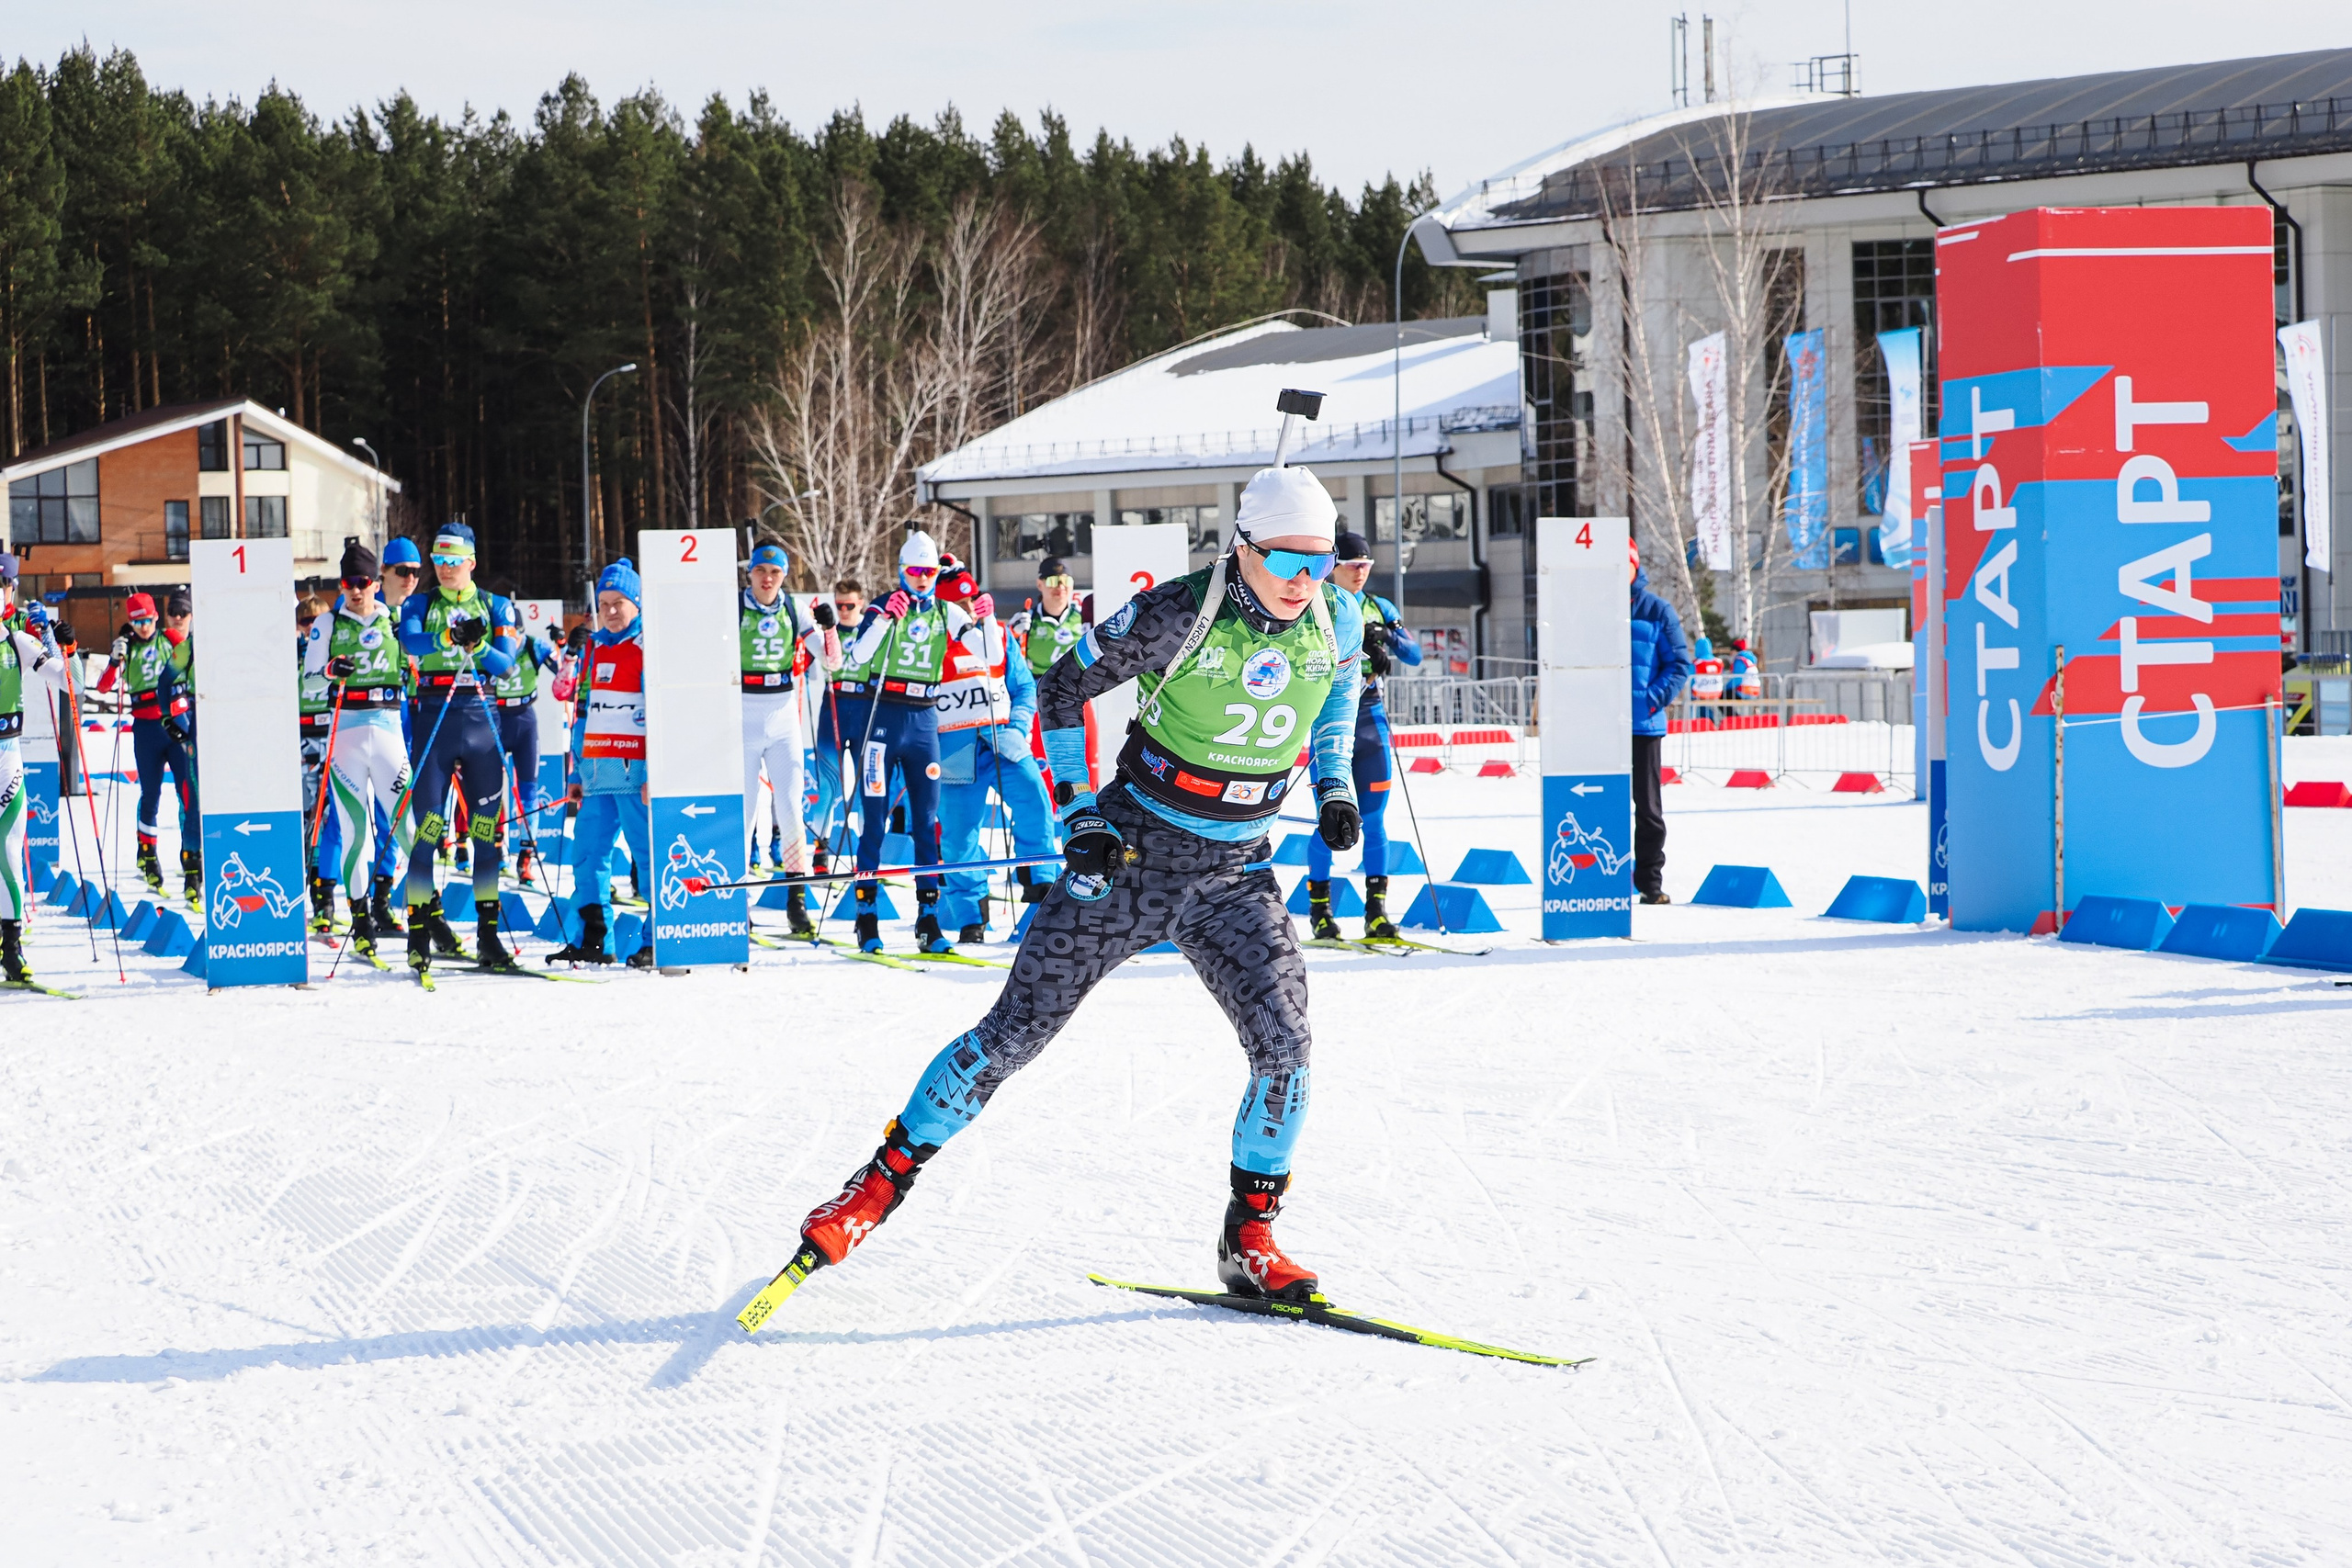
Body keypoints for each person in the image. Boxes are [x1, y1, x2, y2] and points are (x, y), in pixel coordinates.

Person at [772, 462, 1365, 1312]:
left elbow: (1338, 695)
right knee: (1014, 1033)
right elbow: (1059, 690)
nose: (1306, 580)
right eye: (1287, 560)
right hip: (1132, 855)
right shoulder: (1178, 612)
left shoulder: (1336, 616)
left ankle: (1250, 1239)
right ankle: (871, 1189)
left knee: (1288, 1049)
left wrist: (1336, 787)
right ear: (1243, 547)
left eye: (1321, 560)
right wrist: (1079, 811)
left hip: (1235, 871)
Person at [830, 532, 979, 954]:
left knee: (927, 823)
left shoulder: (948, 611)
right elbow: (857, 658)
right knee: (875, 821)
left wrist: (983, 619)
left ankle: (928, 920)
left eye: (928, 571)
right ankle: (866, 917)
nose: (921, 579)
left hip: (924, 722)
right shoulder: (883, 605)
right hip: (883, 718)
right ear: (901, 571)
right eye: (914, 571)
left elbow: (987, 654)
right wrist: (882, 621)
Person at [395, 522, 524, 975]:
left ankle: (488, 935)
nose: (445, 568)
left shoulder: (496, 605)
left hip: (481, 717)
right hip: (435, 716)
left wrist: (479, 645)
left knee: (486, 833)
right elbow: (409, 639)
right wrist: (448, 638)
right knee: (428, 831)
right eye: (438, 560)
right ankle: (418, 937)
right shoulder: (420, 602)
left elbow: (506, 665)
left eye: (453, 560)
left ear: (471, 562)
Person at [1304, 529, 1419, 942]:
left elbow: (1415, 655)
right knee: (1329, 817)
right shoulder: (1315, 603)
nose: (1360, 573)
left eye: (1366, 566)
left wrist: (1386, 637)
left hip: (1371, 719)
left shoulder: (1380, 606)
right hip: (1331, 721)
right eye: (1352, 565)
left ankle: (1376, 912)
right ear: (1332, 567)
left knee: (1374, 818)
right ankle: (1320, 912)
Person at [931, 563, 1055, 942]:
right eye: (957, 603)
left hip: (1002, 742)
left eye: (970, 599)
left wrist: (1018, 727)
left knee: (1035, 800)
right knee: (958, 836)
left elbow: (1024, 687)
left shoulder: (997, 633)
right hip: (954, 751)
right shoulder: (931, 642)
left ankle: (1040, 887)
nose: (967, 608)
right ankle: (971, 917)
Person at [305, 541, 416, 958]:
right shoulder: (328, 623)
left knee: (407, 829)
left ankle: (426, 915)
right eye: (348, 583)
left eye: (363, 582)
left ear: (375, 582)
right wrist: (330, 670)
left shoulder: (396, 619)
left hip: (388, 729)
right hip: (347, 735)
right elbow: (309, 680)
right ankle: (362, 922)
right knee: (354, 835)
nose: (356, 590)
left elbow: (418, 666)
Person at [548, 558, 652, 967]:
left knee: (647, 860)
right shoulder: (592, 648)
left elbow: (660, 715)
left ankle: (657, 940)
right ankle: (593, 940)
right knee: (588, 857)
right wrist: (577, 771)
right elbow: (581, 711)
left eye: (619, 603)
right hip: (596, 774)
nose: (610, 611)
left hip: (634, 776)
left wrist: (653, 773)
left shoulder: (647, 646)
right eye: (604, 603)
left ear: (637, 603)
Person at [738, 540, 839, 935]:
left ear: (784, 575)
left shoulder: (793, 608)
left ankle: (796, 902)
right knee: (745, 815)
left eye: (775, 572)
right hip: (743, 712)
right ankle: (738, 903)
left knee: (792, 811)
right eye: (761, 572)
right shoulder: (735, 606)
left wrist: (830, 628)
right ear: (750, 573)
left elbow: (832, 662)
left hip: (782, 715)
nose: (767, 579)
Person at [1, 553, 73, 985]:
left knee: (9, 852)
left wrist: (63, 643)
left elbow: (72, 682)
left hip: (6, 754)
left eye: (0, 586)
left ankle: (10, 948)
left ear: (10, 590)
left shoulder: (16, 641)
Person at [98, 590, 198, 900]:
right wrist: (113, 662)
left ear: (156, 617)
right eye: (137, 622)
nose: (144, 627)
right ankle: (148, 855)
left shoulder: (170, 639)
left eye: (148, 620)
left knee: (187, 793)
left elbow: (193, 660)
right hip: (146, 730)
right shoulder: (127, 648)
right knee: (150, 794)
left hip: (176, 726)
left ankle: (192, 862)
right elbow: (103, 687)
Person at [485, 576, 560, 886]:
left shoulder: (533, 646)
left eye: (515, 634)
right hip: (495, 720)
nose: (511, 641)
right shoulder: (492, 648)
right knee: (491, 791)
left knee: (528, 791)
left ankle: (526, 857)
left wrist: (562, 647)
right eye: (506, 634)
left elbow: (563, 672)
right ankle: (495, 851)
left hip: (525, 720)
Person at [1629, 540, 1692, 906]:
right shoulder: (1592, 607)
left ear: (1634, 567)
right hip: (1601, 728)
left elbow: (1679, 664)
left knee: (1649, 809)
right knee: (1602, 804)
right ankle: (1602, 877)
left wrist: (1650, 699)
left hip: (1643, 726)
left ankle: (1650, 883)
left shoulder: (1657, 610)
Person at [1010, 555, 1095, 802]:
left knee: (1086, 754)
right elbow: (1009, 662)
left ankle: (1084, 807)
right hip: (1042, 698)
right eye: (1053, 581)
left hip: (1077, 695)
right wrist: (1012, 635)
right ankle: (1049, 811)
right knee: (1044, 758)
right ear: (1040, 584)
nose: (1060, 587)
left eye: (1065, 580)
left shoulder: (1082, 618)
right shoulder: (1029, 619)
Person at [808, 579, 866, 870]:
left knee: (868, 786)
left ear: (861, 603)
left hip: (864, 708)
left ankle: (867, 853)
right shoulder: (828, 631)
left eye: (850, 605)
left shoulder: (871, 629)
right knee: (829, 785)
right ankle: (821, 852)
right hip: (834, 706)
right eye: (839, 605)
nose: (844, 611)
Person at [297, 595, 337, 927]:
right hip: (301, 738)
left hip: (331, 734)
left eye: (317, 621)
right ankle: (304, 895)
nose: (312, 628)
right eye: (306, 622)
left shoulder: (333, 650)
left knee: (328, 818)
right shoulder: (292, 654)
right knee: (305, 818)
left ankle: (325, 900)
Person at [1690, 635, 1724, 725]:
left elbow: (1690, 681)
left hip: (1700, 693)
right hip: (1717, 692)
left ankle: (1696, 721)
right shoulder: (1719, 662)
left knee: (1691, 698)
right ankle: (1710, 720)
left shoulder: (1696, 663)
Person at [1727, 637, 1762, 702]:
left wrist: (1726, 688)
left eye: (1732, 650)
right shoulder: (1750, 660)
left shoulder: (1740, 660)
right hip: (1755, 691)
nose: (1730, 653)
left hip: (1744, 691)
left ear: (1736, 650)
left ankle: (1730, 710)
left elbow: (1737, 679)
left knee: (1724, 695)